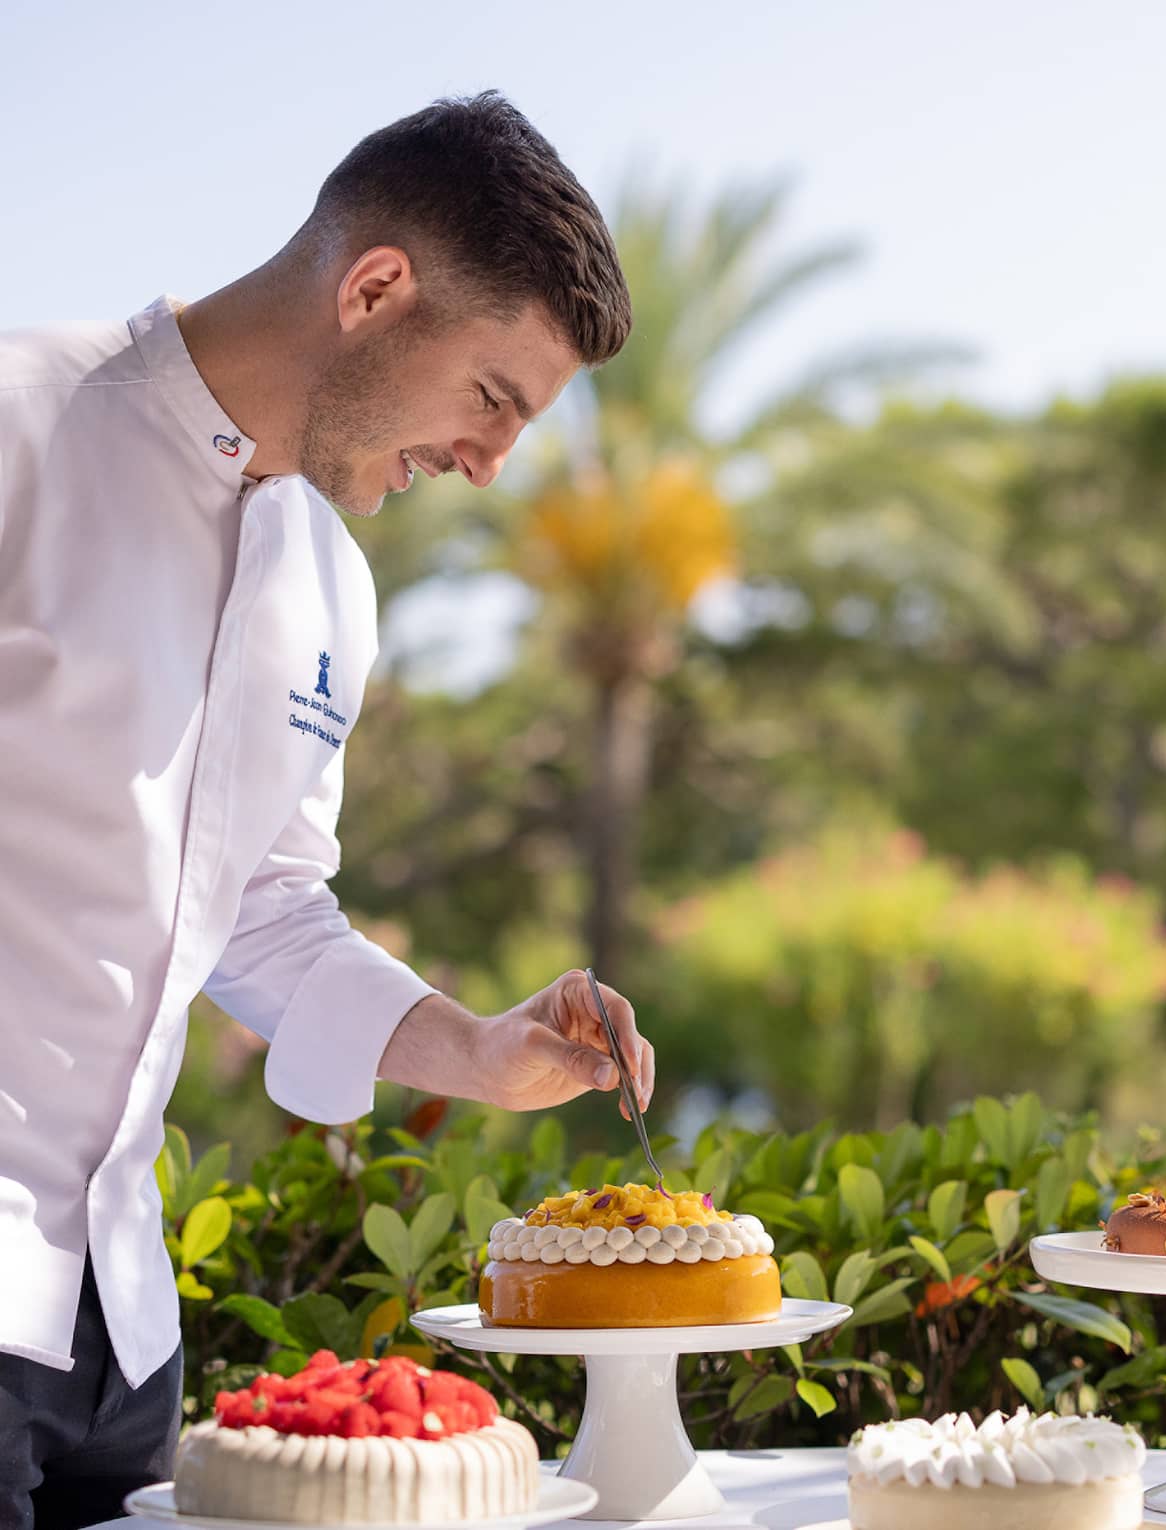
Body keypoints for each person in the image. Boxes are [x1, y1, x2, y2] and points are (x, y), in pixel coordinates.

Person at [0, 92, 649, 1529]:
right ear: (373, 289)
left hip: (124, 1340)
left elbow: (268, 918)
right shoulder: (21, 424)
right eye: (492, 398)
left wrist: (478, 1050)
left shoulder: (333, 588)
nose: (493, 464)